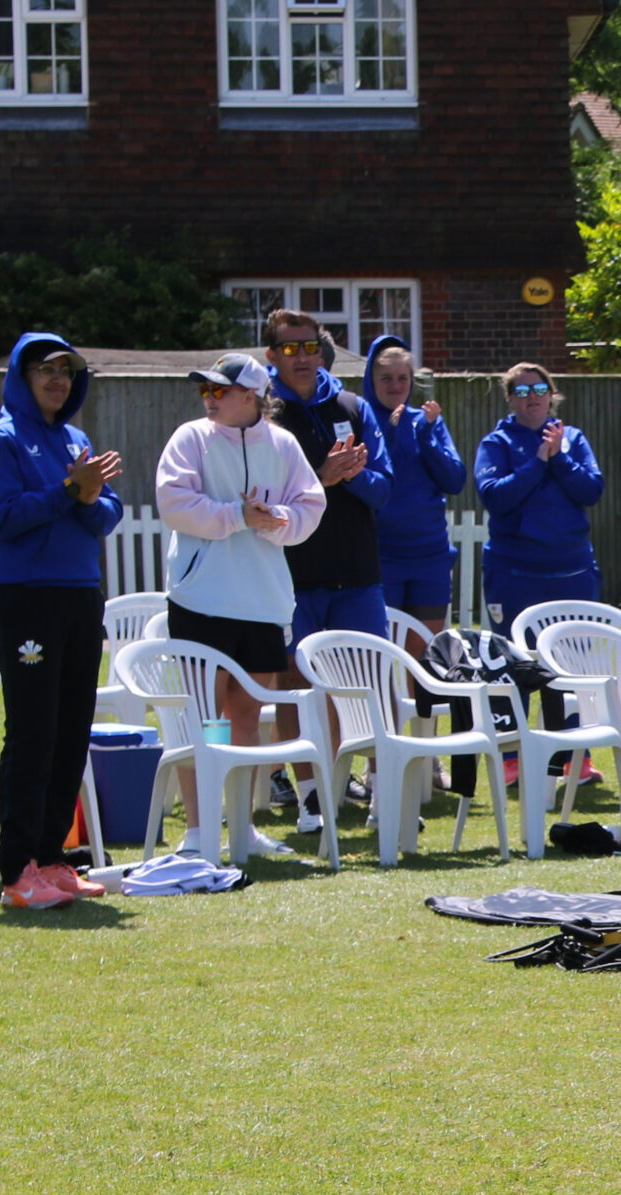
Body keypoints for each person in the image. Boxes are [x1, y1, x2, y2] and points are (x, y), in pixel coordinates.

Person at [0, 332, 126, 908]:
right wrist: (70, 491)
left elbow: (108, 512)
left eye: (67, 369)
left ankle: (54, 859)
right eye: (45, 369)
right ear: (21, 375)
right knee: (33, 730)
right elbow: (5, 517)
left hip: (80, 594)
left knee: (70, 730)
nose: (58, 379)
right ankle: (18, 871)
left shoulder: (76, 438)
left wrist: (86, 496)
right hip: (23, 595)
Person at [154, 352, 325, 859]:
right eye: (205, 391)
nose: (208, 398)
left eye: (218, 390)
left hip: (263, 603)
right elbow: (173, 504)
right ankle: (196, 833)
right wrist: (237, 515)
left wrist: (279, 521)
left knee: (247, 719)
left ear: (251, 396)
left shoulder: (284, 443)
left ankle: (242, 830)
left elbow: (310, 504)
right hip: (199, 600)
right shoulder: (190, 438)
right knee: (201, 716)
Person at [265, 310, 391, 829]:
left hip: (357, 574)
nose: (302, 357)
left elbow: (385, 488)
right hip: (293, 576)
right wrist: (324, 477)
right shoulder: (262, 415)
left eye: (310, 346)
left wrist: (353, 477)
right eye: (290, 349)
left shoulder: (353, 406)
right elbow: (265, 501)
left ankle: (384, 793)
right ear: (271, 355)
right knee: (297, 686)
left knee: (370, 684)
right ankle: (313, 796)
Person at [476, 362, 607, 766]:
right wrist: (537, 461)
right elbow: (495, 497)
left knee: (571, 669)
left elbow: (591, 489)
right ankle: (512, 761)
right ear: (510, 398)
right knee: (515, 667)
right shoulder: (496, 442)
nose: (531, 397)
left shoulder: (574, 438)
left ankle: (572, 760)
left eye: (539, 389)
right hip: (515, 576)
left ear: (551, 394)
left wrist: (559, 459)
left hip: (572, 573)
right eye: (521, 390)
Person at [364, 336, 465, 633]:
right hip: (382, 555)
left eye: (402, 378)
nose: (395, 385)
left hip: (430, 554)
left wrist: (425, 435)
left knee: (426, 651)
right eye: (386, 378)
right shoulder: (362, 420)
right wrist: (392, 436)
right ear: (372, 379)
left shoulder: (426, 421)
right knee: (380, 652)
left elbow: (455, 480)